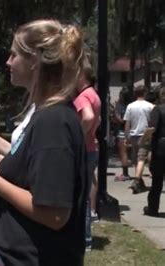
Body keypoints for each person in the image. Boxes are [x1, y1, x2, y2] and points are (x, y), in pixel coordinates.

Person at [0, 19, 89, 265]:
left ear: (35, 61)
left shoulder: (53, 122)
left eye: (13, 54)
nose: (7, 62)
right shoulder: (46, 115)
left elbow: (55, 214)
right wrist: (2, 162)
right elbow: (37, 176)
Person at [73, 53, 101, 252]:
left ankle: (85, 239)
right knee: (87, 189)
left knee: (80, 197)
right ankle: (86, 238)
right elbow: (97, 120)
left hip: (84, 149)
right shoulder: (94, 94)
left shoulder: (83, 96)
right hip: (92, 148)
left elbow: (89, 117)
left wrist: (76, 135)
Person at [123, 85, 155, 194]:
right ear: (145, 93)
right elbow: (153, 122)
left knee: (135, 159)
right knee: (141, 158)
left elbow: (127, 122)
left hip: (133, 134)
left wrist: (126, 136)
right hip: (145, 135)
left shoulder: (130, 106)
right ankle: (138, 180)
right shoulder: (150, 106)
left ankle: (138, 180)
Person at [144, 86, 165, 217]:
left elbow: (152, 128)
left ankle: (153, 208)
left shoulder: (158, 109)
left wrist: (143, 140)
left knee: (157, 181)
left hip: (160, 148)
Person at [113, 88, 132, 181]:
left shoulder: (120, 106)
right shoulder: (131, 105)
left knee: (123, 153)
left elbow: (120, 120)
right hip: (133, 130)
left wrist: (115, 113)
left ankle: (125, 174)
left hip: (122, 131)